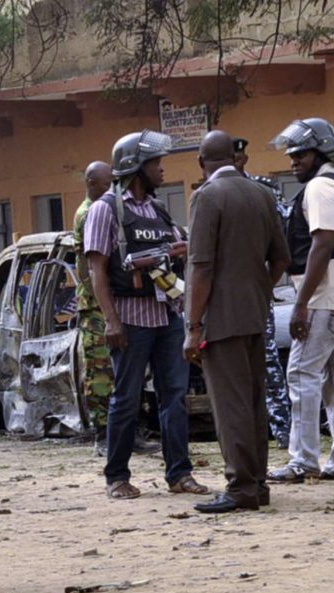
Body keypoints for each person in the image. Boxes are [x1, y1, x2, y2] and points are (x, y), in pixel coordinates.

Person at [85, 129, 210, 499]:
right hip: (130, 319)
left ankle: (180, 474)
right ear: (136, 167)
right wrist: (111, 321)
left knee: (174, 397)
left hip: (166, 317)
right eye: (156, 163)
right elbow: (97, 270)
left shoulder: (157, 210)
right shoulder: (104, 209)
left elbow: (175, 249)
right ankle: (117, 477)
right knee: (125, 398)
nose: (162, 169)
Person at [184, 131, 290, 514]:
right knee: (253, 401)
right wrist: (258, 288)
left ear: (201, 161)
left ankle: (241, 486)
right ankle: (257, 484)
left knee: (229, 406)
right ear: (234, 156)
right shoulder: (261, 194)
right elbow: (281, 258)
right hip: (255, 312)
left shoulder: (206, 197)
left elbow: (201, 268)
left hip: (220, 317)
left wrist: (193, 326)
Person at [271, 118, 334, 483]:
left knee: (301, 374)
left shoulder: (321, 188)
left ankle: (303, 460)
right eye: (292, 154)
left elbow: (322, 243)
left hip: (325, 297)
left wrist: (301, 303)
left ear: (321, 151)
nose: (293, 160)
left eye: (301, 153)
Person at [233, 137, 293, 448]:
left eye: (239, 156)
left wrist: (266, 285)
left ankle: (282, 430)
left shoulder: (264, 189)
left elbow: (281, 236)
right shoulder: (208, 193)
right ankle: (246, 434)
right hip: (226, 295)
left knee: (268, 362)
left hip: (257, 287)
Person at [70, 161, 115, 441]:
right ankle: (103, 431)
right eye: (106, 183)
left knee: (112, 369)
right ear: (91, 183)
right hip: (94, 304)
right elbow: (90, 266)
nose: (111, 188)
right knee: (99, 370)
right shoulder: (89, 214)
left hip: (104, 303)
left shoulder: (100, 211)